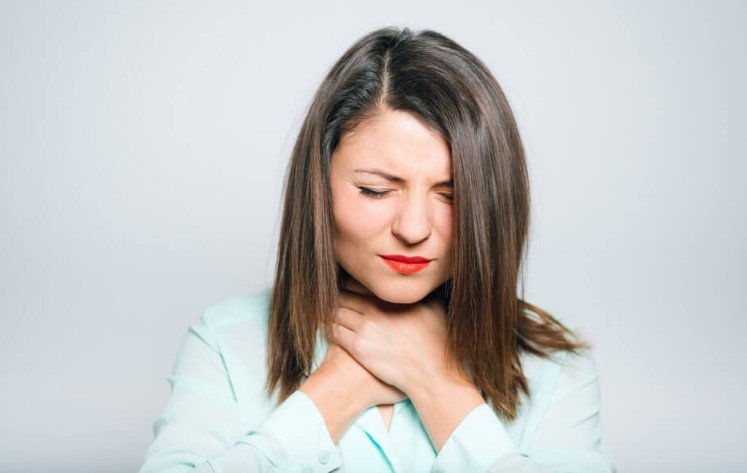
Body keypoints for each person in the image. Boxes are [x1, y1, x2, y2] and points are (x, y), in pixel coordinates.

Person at [138, 26, 617, 473]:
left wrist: (439, 387)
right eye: (375, 190)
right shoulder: (226, 342)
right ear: (318, 184)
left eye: (451, 196)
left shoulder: (555, 365)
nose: (413, 228)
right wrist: (334, 392)